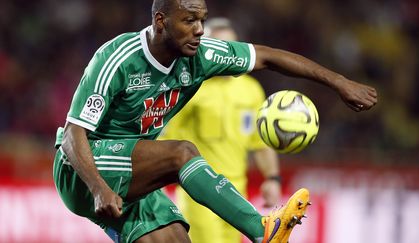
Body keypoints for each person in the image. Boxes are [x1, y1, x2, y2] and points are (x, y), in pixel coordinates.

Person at [52, 0, 378, 242]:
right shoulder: (118, 59)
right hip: (83, 167)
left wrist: (339, 82)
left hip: (134, 173)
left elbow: (267, 56)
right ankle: (263, 229)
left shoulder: (202, 56)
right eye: (189, 20)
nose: (199, 30)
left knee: (176, 237)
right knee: (182, 152)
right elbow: (72, 135)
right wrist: (98, 188)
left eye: (202, 20)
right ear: (160, 21)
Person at [160, 17, 281, 243]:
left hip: (237, 196)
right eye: (221, 48)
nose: (228, 55)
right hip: (200, 194)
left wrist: (272, 178)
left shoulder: (251, 89)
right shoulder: (190, 86)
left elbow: (260, 141)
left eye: (232, 48)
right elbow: (165, 137)